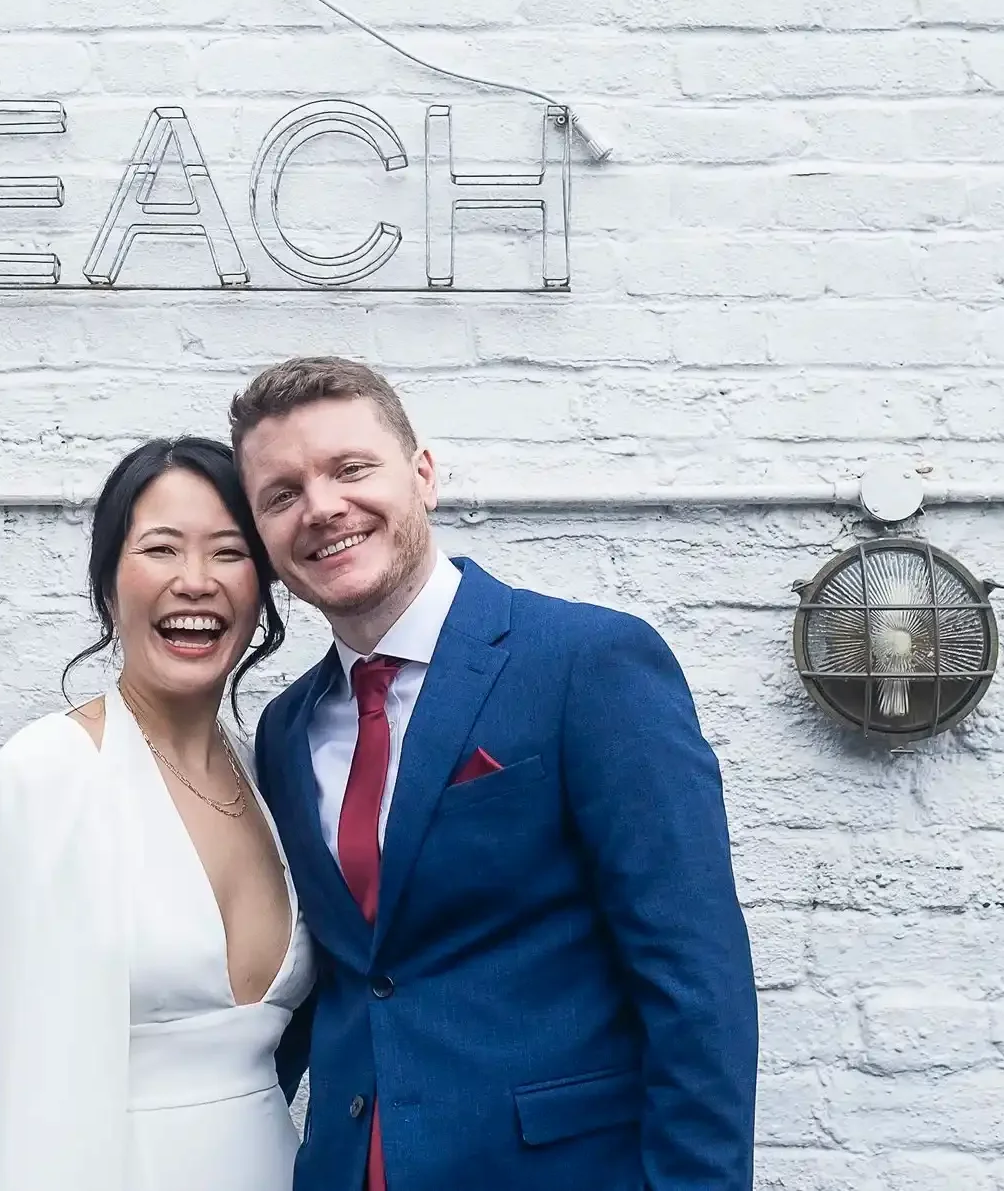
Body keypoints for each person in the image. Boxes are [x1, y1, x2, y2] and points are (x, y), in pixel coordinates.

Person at [234, 357, 758, 1191]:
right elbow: (338, 979)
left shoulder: (588, 663)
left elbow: (697, 980)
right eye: (281, 493)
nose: (321, 506)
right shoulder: (285, 729)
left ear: (424, 475)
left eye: (350, 467)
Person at [0, 437, 314, 1191]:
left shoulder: (269, 773)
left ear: (263, 585)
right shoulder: (47, 773)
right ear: (109, 582)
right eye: (161, 548)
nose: (194, 582)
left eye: (228, 552)